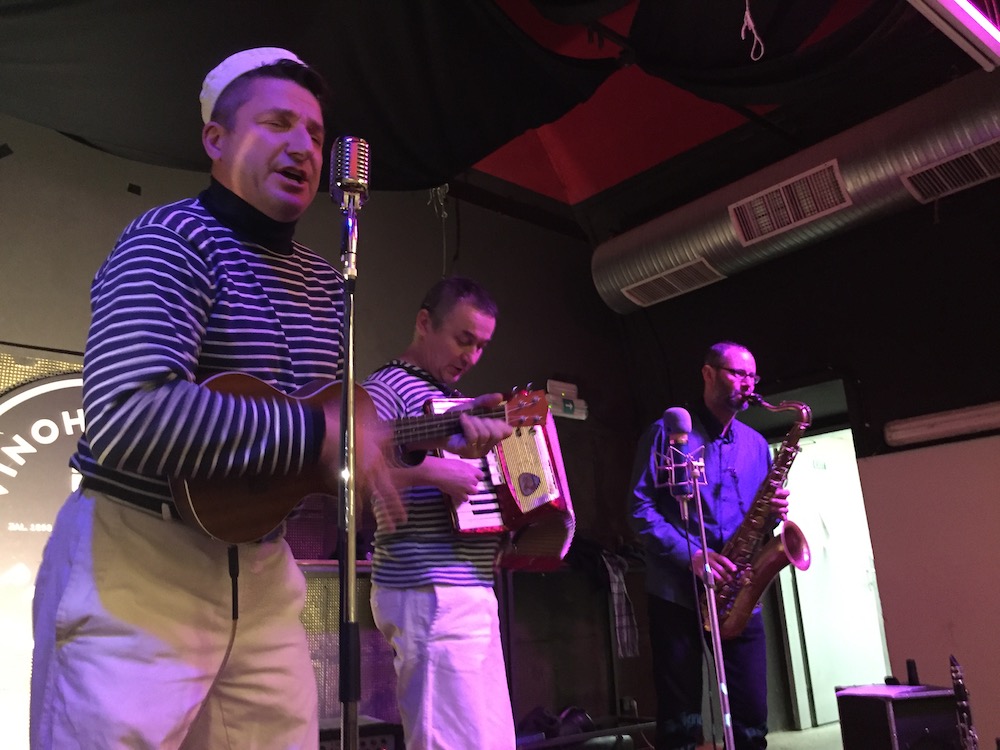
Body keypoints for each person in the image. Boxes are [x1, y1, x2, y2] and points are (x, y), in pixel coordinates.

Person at [28, 47, 496, 750]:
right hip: (137, 559)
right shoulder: (168, 239)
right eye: (277, 123)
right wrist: (319, 437)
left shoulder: (325, 282)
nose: (303, 145)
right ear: (215, 139)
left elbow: (314, 446)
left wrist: (377, 457)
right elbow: (127, 413)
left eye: (315, 133)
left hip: (264, 571)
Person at [362, 276, 517, 750]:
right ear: (425, 323)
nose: (472, 356)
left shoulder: (451, 400)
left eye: (482, 346)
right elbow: (354, 468)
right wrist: (434, 471)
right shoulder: (385, 388)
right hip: (425, 586)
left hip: (468, 587)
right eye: (463, 339)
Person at [629, 341, 789, 750]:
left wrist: (774, 514)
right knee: (680, 717)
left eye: (752, 376)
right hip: (676, 592)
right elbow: (640, 509)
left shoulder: (756, 444)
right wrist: (692, 555)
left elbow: (761, 522)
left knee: (752, 715)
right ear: (708, 374)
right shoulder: (667, 434)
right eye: (737, 373)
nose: (748, 384)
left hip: (737, 591)